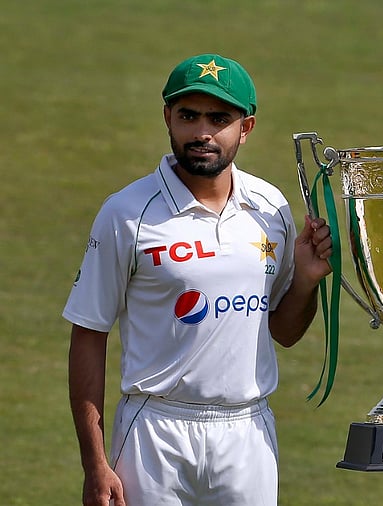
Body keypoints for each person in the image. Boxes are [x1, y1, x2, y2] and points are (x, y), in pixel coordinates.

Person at [64, 53, 333, 506]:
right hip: (154, 432)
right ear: (168, 117)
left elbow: (283, 333)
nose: (202, 132)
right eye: (188, 116)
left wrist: (305, 281)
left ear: (244, 128)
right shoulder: (126, 213)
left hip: (248, 431)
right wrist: (95, 464)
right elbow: (89, 333)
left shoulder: (271, 209)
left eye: (219, 118)